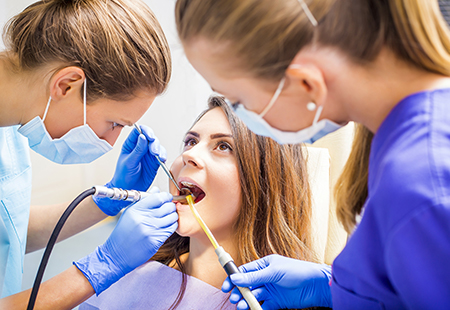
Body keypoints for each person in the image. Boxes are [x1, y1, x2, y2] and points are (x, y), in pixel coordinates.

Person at [174, 0, 450, 309]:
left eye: (239, 101)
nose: (191, 155)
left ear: (306, 83)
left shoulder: (423, 183)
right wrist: (334, 286)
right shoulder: (398, 144)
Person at [0, 0, 177, 308]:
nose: (111, 142)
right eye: (114, 123)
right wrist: (100, 267)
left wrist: (105, 202)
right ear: (67, 85)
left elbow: (9, 232)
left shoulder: (9, 130)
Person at [79, 95, 321, 310]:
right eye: (191, 141)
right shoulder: (131, 269)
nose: (189, 154)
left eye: (223, 146)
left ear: (266, 182)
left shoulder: (290, 297)